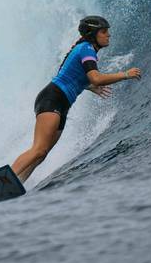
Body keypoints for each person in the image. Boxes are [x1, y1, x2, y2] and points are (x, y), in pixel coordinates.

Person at [11, 16, 142, 182]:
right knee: (38, 149)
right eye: (104, 31)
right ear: (93, 34)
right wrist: (125, 74)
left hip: (62, 104)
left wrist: (88, 86)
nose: (108, 35)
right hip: (52, 99)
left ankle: (15, 186)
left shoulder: (86, 49)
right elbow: (95, 77)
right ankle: (4, 180)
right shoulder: (86, 49)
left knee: (42, 154)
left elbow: (72, 73)